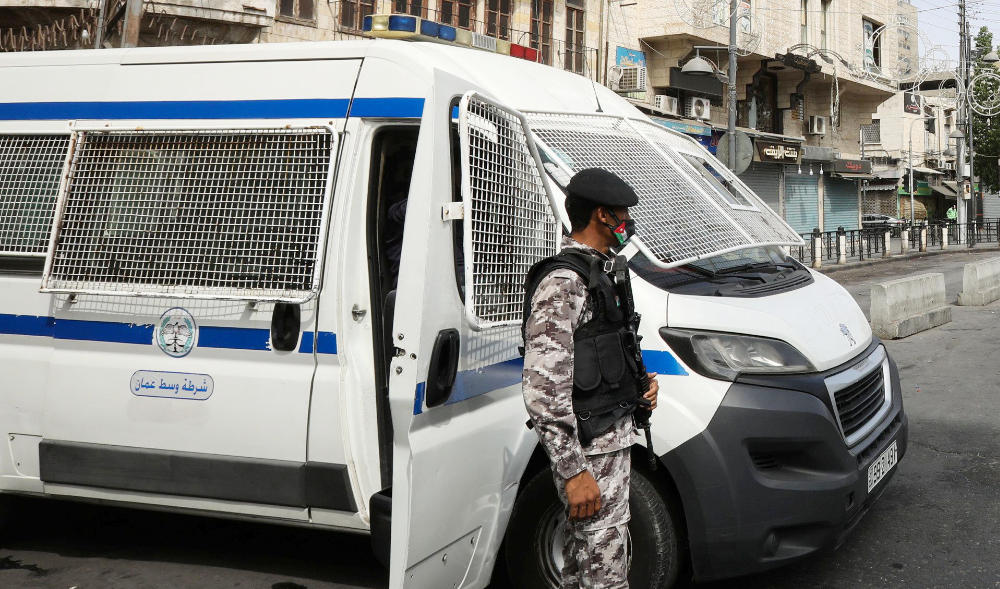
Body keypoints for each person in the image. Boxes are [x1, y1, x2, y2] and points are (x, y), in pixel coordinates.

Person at [521, 168, 659, 589]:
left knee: (583, 572)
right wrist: (573, 472)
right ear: (602, 215)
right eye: (622, 214)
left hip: (606, 443)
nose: (627, 223)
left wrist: (640, 389)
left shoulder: (600, 273)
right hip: (589, 455)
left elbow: (600, 355)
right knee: (604, 577)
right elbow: (543, 392)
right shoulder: (565, 282)